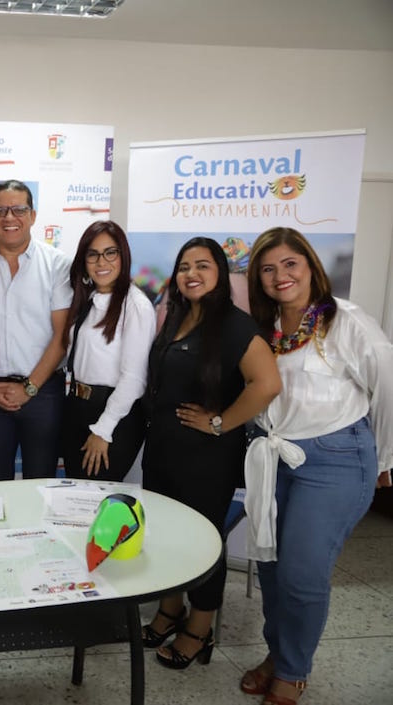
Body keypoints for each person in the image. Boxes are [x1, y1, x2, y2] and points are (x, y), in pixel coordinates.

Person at [239, 227, 393, 705]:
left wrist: (387, 459)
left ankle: (292, 671)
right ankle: (278, 653)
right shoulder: (265, 328)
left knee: (302, 574)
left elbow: (387, 387)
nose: (279, 276)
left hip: (335, 461)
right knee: (269, 568)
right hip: (275, 457)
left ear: (310, 266)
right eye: (268, 268)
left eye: (289, 264)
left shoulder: (344, 321)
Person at [141, 236, 281, 670]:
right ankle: (170, 610)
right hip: (163, 450)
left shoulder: (235, 325)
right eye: (184, 266)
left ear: (220, 274)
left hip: (206, 458)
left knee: (202, 543)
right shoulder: (176, 318)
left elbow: (268, 384)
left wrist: (220, 421)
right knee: (163, 534)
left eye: (203, 265)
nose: (192, 274)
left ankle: (200, 629)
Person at [0, 179, 72, 481]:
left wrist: (30, 388)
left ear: (33, 215)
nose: (9, 218)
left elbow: (61, 336)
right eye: (0, 211)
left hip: (43, 393)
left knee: (41, 482)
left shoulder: (58, 265)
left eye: (19, 209)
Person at [61, 221, 154, 481]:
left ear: (123, 256)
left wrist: (103, 430)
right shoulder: (87, 300)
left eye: (110, 253)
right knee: (73, 499)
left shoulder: (136, 306)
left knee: (95, 501)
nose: (102, 262)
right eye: (93, 254)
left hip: (112, 416)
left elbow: (134, 379)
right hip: (77, 407)